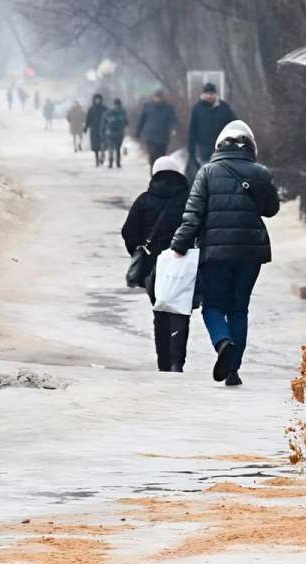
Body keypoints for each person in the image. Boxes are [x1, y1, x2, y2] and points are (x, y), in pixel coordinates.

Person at [171, 120, 279, 386]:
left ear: (219, 146)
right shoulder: (260, 172)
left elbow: (193, 213)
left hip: (216, 253)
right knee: (239, 309)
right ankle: (233, 369)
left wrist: (179, 244)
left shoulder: (207, 173)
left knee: (214, 305)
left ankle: (222, 343)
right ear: (250, 146)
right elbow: (271, 208)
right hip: (250, 252)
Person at [121, 156, 192, 372]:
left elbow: (129, 232)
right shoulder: (189, 200)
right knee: (181, 312)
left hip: (154, 266)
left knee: (159, 312)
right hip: (183, 263)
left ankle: (164, 363)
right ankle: (177, 362)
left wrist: (140, 250)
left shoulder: (144, 200)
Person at [187, 83, 236, 169]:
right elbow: (192, 130)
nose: (209, 96)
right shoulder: (197, 109)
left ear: (215, 94)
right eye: (207, 94)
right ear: (203, 95)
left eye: (211, 94)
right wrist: (191, 151)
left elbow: (234, 125)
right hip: (204, 151)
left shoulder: (224, 107)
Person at [135, 90, 178, 169]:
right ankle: (153, 173)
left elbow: (173, 120)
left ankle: (159, 173)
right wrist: (138, 132)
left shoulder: (168, 108)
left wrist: (173, 128)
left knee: (161, 158)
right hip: (151, 136)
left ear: (163, 98)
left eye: (160, 98)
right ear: (153, 98)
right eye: (156, 97)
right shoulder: (148, 107)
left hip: (163, 136)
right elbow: (142, 120)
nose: (158, 99)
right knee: (152, 156)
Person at [102, 98, 129, 168]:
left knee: (111, 148)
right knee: (117, 148)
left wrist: (103, 130)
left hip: (110, 132)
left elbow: (104, 121)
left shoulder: (109, 112)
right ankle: (118, 162)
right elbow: (127, 122)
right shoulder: (123, 112)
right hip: (119, 133)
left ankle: (111, 162)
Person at [84, 94, 107, 166]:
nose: (97, 101)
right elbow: (88, 119)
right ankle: (97, 160)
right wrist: (86, 127)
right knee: (95, 146)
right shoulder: (91, 109)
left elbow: (108, 118)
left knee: (103, 144)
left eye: (98, 99)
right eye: (96, 99)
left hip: (103, 128)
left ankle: (102, 155)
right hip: (94, 129)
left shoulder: (104, 109)